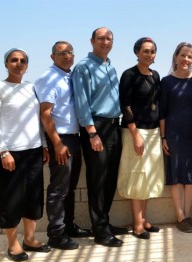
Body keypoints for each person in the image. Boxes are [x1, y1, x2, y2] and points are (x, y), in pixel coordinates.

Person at [0, 48, 51, 262]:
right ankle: (13, 245)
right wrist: (3, 151)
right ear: (6, 64)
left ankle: (30, 240)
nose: (18, 64)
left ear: (27, 65)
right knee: (11, 200)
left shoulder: (31, 88)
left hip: (32, 151)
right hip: (10, 153)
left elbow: (36, 120)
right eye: (14, 60)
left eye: (23, 60)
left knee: (33, 198)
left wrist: (43, 145)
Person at [73, 27, 128, 247]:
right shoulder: (83, 68)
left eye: (109, 39)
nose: (106, 42)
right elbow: (81, 103)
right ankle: (100, 232)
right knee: (97, 181)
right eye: (102, 38)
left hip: (115, 127)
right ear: (92, 40)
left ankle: (104, 222)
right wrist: (92, 133)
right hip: (96, 129)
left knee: (110, 179)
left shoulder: (110, 66)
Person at [34, 41, 91, 251]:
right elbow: (45, 113)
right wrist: (56, 144)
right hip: (61, 139)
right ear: (52, 57)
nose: (67, 56)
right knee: (58, 189)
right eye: (61, 53)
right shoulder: (49, 78)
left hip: (73, 137)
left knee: (70, 187)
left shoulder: (68, 76)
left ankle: (68, 226)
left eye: (69, 52)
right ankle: (56, 235)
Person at [117, 37, 165, 240]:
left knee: (149, 177)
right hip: (135, 131)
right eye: (145, 51)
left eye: (152, 51)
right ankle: (137, 224)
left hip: (153, 132)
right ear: (137, 52)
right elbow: (125, 106)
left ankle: (144, 219)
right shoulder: (129, 75)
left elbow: (158, 104)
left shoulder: (156, 75)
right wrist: (135, 134)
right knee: (138, 176)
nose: (149, 54)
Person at [160, 42, 192, 233]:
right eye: (183, 55)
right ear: (176, 57)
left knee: (191, 177)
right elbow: (162, 112)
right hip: (174, 134)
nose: (186, 59)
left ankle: (188, 216)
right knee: (177, 176)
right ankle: (180, 216)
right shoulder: (166, 82)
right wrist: (163, 137)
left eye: (190, 57)